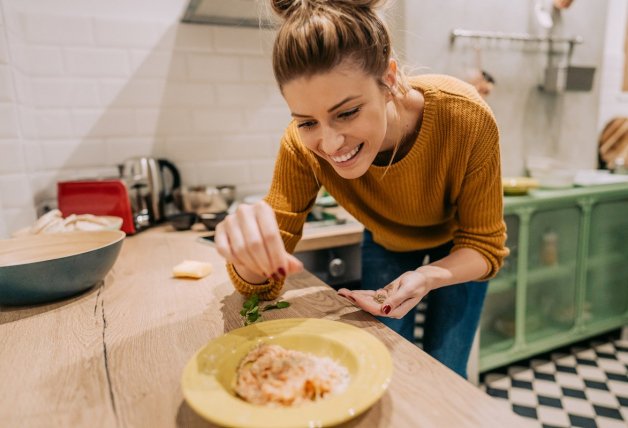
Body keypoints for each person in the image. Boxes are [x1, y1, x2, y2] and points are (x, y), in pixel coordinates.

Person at [214, 0, 508, 378]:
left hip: (458, 250)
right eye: (306, 122)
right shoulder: (300, 148)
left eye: (347, 112)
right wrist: (248, 260)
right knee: (377, 363)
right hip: (386, 241)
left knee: (446, 368)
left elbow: (484, 245)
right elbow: (264, 276)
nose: (331, 144)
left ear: (388, 79)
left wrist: (428, 276)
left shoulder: (465, 117)